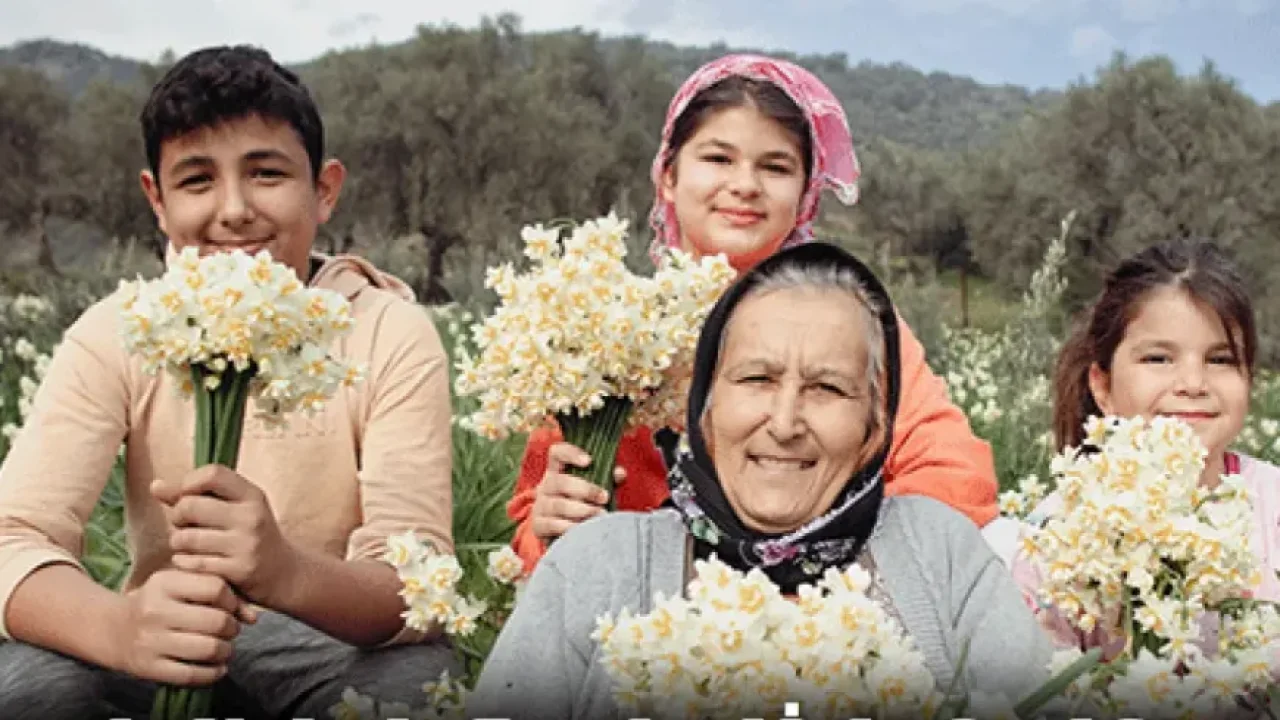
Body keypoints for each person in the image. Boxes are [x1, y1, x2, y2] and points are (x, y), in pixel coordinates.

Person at [0, 45, 457, 719]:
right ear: (156, 200)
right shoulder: (118, 329)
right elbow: (13, 535)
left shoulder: (387, 329)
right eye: (196, 181)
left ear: (323, 190)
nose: (235, 209)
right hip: (162, 631)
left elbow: (418, 579)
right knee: (27, 687)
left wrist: (284, 571)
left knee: (414, 689)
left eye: (267, 173)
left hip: (331, 638)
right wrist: (120, 630)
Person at [471, 241, 1056, 720]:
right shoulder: (595, 564)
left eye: (827, 389)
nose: (784, 423)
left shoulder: (940, 553)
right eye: (756, 379)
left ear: (875, 427)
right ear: (704, 411)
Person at [507, 54, 1000, 572]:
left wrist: (841, 580)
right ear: (669, 177)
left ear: (806, 194)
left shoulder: (856, 324)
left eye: (775, 166)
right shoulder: (608, 334)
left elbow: (953, 472)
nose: (745, 185)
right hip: (637, 620)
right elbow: (535, 531)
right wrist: (551, 529)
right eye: (718, 159)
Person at [1010, 238, 1280, 649]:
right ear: (1103, 387)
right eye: (1158, 359)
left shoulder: (1272, 510)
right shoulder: (1061, 537)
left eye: (1220, 360)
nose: (1193, 384)